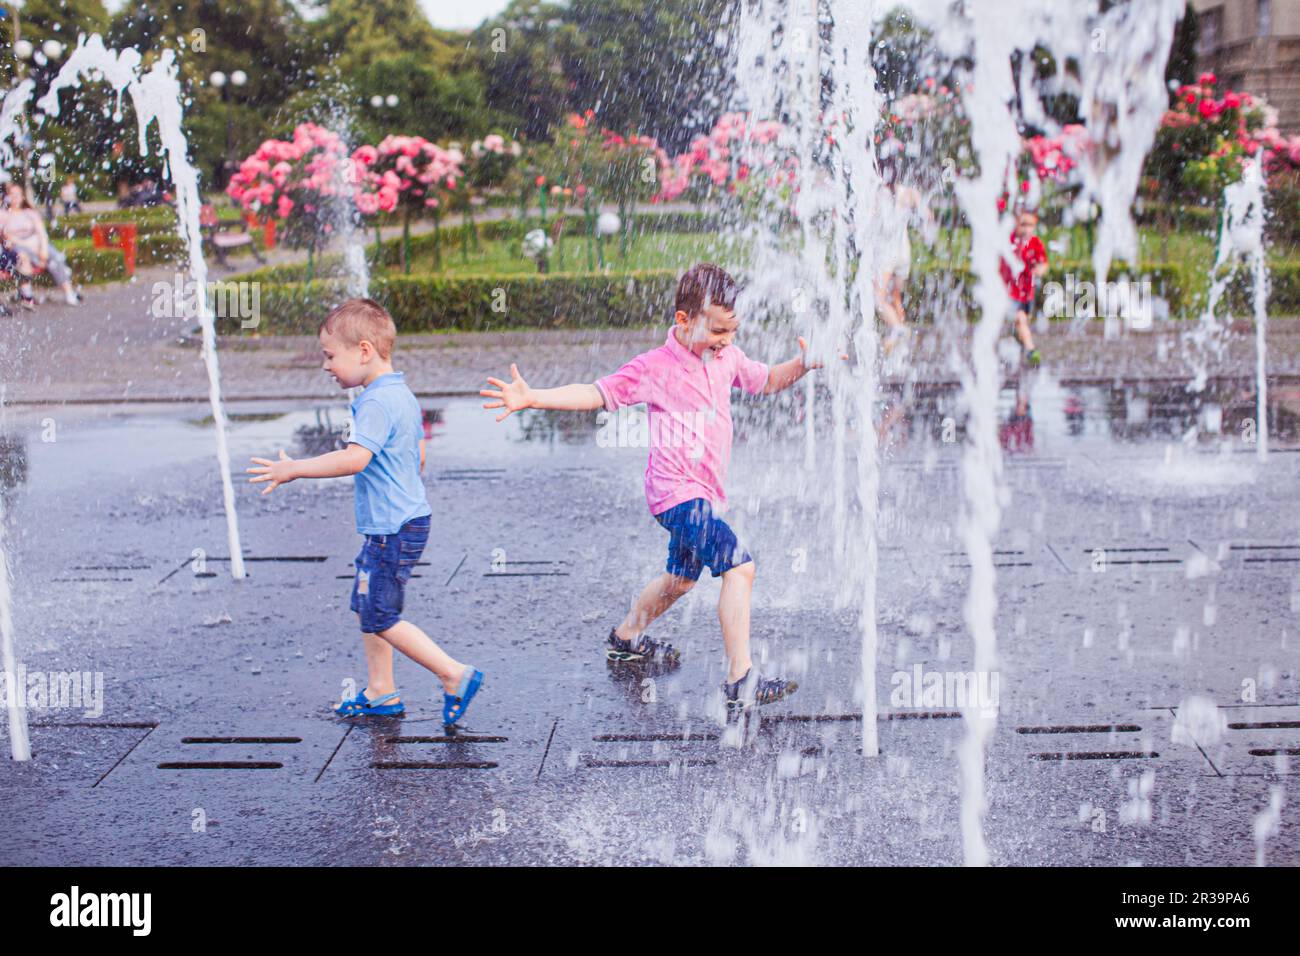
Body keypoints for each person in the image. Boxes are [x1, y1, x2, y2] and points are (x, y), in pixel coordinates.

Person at [480, 263, 822, 716]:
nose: (727, 340)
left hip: (702, 495)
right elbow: (596, 393)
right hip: (675, 495)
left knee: (680, 580)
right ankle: (741, 679)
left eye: (732, 330)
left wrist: (802, 365)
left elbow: (767, 381)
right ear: (684, 321)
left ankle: (625, 639)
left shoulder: (726, 359)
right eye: (718, 330)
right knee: (740, 568)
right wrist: (533, 397)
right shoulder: (654, 368)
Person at [247, 298, 485, 726]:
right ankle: (381, 691)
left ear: (363, 350)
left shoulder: (375, 403)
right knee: (366, 604)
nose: (325, 366)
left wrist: (294, 469)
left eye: (329, 355)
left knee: (382, 614)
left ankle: (454, 675)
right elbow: (420, 454)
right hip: (399, 522)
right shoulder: (399, 393)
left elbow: (355, 459)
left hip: (392, 529)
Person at [2, 183, 79, 307]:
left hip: (36, 243)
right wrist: (26, 244)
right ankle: (27, 295)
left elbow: (41, 232)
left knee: (54, 256)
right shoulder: (4, 215)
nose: (15, 198)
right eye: (12, 195)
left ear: (22, 196)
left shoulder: (30, 212)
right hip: (19, 245)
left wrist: (43, 248)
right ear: (8, 197)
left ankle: (68, 291)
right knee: (21, 255)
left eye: (18, 195)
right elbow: (7, 236)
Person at [998, 207, 1049, 367]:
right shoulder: (1008, 240)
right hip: (1009, 292)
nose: (1027, 229)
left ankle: (1017, 344)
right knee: (1020, 320)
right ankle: (1031, 350)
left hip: (1026, 293)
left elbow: (1043, 262)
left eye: (1030, 225)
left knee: (1022, 322)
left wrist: (1041, 269)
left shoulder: (1035, 243)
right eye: (1023, 225)